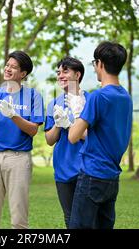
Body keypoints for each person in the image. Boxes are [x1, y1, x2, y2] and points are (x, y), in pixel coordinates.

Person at [67, 41, 133, 229]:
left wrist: (76, 108)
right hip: (112, 177)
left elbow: (73, 136)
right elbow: (101, 134)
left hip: (92, 174)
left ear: (100, 64)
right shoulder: (125, 97)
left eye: (94, 64)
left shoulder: (98, 96)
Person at [0, 51, 44, 229]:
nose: (8, 69)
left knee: (19, 219)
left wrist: (14, 115)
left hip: (18, 159)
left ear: (23, 74)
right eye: (7, 65)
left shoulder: (33, 96)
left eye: (14, 67)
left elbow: (33, 130)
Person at [44, 56, 88, 228]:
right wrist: (57, 124)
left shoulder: (91, 101)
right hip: (63, 169)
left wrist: (70, 125)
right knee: (70, 218)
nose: (60, 75)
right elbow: (49, 140)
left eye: (65, 71)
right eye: (58, 72)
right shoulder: (53, 104)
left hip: (86, 168)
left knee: (87, 217)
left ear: (77, 75)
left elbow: (91, 136)